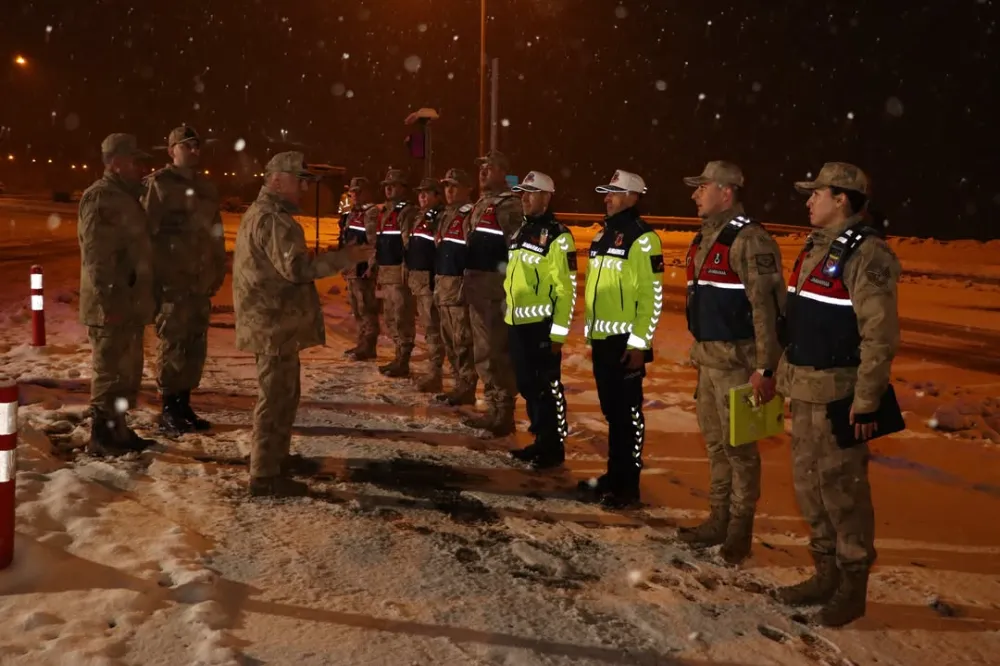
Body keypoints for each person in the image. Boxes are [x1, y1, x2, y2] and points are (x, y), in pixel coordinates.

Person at [773, 162, 901, 627]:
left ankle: (852, 587)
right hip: (805, 389)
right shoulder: (816, 246)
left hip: (839, 396)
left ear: (842, 198)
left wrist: (866, 402)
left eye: (817, 193)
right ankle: (825, 574)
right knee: (809, 488)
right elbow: (800, 324)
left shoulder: (868, 254)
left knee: (843, 493)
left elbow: (879, 336)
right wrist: (779, 376)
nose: (809, 201)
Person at [232, 151, 367, 497]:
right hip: (272, 323)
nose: (305, 189)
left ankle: (275, 458)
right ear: (277, 180)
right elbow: (297, 270)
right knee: (275, 398)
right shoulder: (273, 219)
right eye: (300, 181)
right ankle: (264, 474)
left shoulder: (266, 214)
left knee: (284, 395)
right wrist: (345, 258)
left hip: (274, 322)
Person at [677, 161, 786, 564]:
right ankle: (718, 520)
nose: (695, 194)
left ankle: (739, 533)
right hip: (709, 360)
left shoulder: (750, 240)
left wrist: (766, 368)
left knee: (740, 451)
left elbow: (766, 310)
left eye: (702, 187)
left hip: (739, 365)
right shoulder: (707, 236)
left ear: (726, 192)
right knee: (716, 445)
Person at [578, 170, 663, 508]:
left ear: (632, 196)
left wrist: (639, 344)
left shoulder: (643, 238)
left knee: (628, 416)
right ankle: (614, 476)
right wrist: (590, 335)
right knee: (613, 413)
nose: (607, 198)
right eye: (607, 192)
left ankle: (628, 486)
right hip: (603, 339)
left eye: (614, 192)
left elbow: (651, 297)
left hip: (625, 342)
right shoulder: (603, 235)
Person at [142, 125, 227, 435]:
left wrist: (218, 268)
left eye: (196, 145)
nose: (192, 150)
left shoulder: (206, 187)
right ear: (171, 151)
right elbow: (144, 234)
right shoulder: (159, 185)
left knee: (194, 345)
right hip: (172, 281)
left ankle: (184, 404)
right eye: (185, 145)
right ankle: (169, 407)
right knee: (173, 344)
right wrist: (149, 278)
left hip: (199, 282)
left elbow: (216, 232)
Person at [78, 133, 157, 456]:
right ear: (115, 162)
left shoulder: (125, 197)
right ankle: (102, 436)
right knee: (109, 373)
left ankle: (118, 429)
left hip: (128, 304)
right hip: (111, 305)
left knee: (126, 373)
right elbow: (98, 258)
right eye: (135, 161)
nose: (141, 167)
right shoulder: (102, 198)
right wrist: (110, 303)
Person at [504, 171, 577, 469]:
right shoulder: (521, 231)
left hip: (541, 326)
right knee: (527, 385)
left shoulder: (558, 236)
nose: (524, 197)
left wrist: (558, 334)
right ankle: (540, 439)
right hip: (517, 324)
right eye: (522, 192)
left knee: (547, 387)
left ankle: (553, 446)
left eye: (531, 193)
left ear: (546, 197)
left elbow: (565, 290)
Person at [462, 151, 522, 436]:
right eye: (482, 167)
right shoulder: (480, 204)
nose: (484, 172)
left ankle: (504, 412)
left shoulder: (509, 206)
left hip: (496, 290)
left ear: (503, 172)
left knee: (497, 353)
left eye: (491, 167)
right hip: (477, 287)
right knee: (483, 353)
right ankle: (492, 408)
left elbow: (517, 250)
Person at [432, 168, 479, 406]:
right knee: (449, 340)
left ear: (467, 189)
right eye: (446, 186)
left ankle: (467, 387)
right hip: (443, 286)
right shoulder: (445, 215)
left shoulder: (470, 214)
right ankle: (458, 384)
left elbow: (474, 252)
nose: (449, 190)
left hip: (459, 288)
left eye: (454, 186)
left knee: (462, 341)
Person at [374, 169, 420, 377]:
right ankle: (398, 356)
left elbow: (408, 243)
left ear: (403, 188)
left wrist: (406, 270)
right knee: (390, 317)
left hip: (399, 273)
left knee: (402, 317)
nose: (388, 189)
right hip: (386, 272)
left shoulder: (407, 212)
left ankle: (403, 360)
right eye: (386, 186)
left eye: (393, 185)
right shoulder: (385, 212)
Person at [408, 177, 447, 392]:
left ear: (437, 196)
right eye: (420, 192)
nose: (422, 196)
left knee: (433, 329)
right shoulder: (420, 216)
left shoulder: (440, 217)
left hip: (431, 281)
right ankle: (433, 372)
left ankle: (435, 373)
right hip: (419, 280)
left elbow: (439, 251)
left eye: (427, 192)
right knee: (428, 326)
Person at [339, 176, 380, 361]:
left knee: (366, 308)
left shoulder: (370, 213)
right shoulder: (352, 213)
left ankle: (369, 346)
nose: (354, 195)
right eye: (352, 192)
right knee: (356, 308)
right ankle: (361, 343)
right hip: (352, 268)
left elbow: (373, 242)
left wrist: (371, 266)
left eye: (358, 191)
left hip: (363, 268)